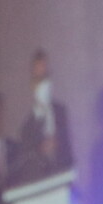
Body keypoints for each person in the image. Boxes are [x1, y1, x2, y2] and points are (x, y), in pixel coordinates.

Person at [14, 48, 74, 183]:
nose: (43, 83)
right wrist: (41, 149)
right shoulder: (27, 129)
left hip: (62, 185)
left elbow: (69, 154)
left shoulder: (61, 112)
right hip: (41, 191)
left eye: (46, 76)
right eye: (39, 79)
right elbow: (28, 169)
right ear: (32, 84)